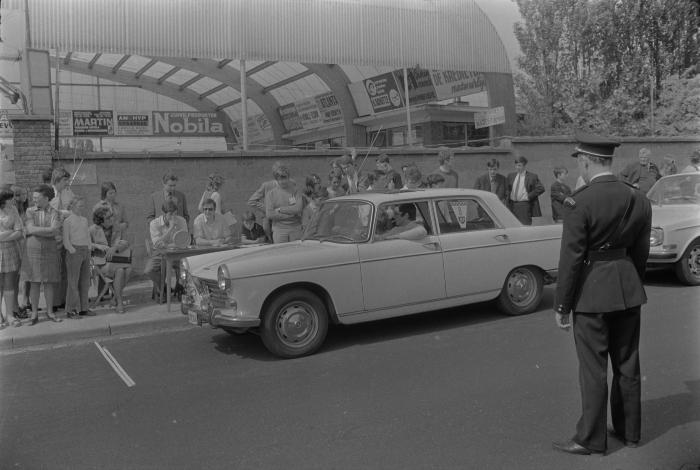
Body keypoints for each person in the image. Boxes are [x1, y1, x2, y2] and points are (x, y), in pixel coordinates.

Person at [552, 132, 652, 456]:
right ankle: (630, 431)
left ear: (585, 160)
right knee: (627, 363)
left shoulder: (578, 201)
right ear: (609, 160)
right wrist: (629, 282)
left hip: (591, 294)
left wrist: (562, 305)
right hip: (627, 288)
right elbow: (640, 253)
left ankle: (590, 439)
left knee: (593, 369)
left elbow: (571, 259)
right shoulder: (638, 198)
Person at [22, 184, 63, 325]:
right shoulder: (29, 211)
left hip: (50, 249)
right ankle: (34, 313)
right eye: (33, 198)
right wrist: (47, 230)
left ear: (46, 198)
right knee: (34, 282)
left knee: (49, 282)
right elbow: (30, 228)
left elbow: (55, 230)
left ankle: (50, 311)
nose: (34, 200)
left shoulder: (55, 212)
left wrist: (36, 230)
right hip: (32, 249)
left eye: (37, 198)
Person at [89, 206, 132, 313]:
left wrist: (115, 248)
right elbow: (86, 245)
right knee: (121, 270)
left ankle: (115, 298)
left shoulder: (116, 227)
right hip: (100, 263)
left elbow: (126, 242)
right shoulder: (92, 229)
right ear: (101, 221)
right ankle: (119, 302)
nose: (111, 219)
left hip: (116, 259)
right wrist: (98, 246)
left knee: (128, 270)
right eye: (108, 218)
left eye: (111, 216)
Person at [146, 199, 189, 303]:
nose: (173, 217)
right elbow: (157, 244)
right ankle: (163, 287)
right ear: (164, 213)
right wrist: (170, 229)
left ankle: (180, 287)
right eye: (170, 214)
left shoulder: (181, 221)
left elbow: (184, 240)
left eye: (175, 213)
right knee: (148, 270)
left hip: (177, 253)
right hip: (160, 254)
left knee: (187, 267)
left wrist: (167, 245)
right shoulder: (154, 223)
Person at [62, 196, 94, 318]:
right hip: (74, 252)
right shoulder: (68, 221)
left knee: (85, 281)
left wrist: (89, 248)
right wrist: (72, 250)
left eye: (83, 205)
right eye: (79, 205)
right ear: (73, 206)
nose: (82, 208)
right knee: (73, 282)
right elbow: (66, 240)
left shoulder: (84, 220)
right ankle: (71, 310)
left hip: (85, 250)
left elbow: (87, 235)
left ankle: (84, 308)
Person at [0, 188, 24, 328]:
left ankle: (9, 315)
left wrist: (2, 236)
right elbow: (13, 232)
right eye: (9, 198)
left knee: (10, 284)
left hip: (11, 251)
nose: (11, 201)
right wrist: (9, 233)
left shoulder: (13, 210)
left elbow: (19, 231)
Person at [248, 161, 287, 243]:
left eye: (283, 171)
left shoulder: (290, 185)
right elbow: (252, 201)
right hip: (270, 222)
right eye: (279, 171)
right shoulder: (267, 185)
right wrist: (266, 209)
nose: (282, 174)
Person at [266, 164, 304, 243]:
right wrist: (291, 214)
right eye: (280, 179)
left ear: (288, 177)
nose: (283, 181)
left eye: (285, 178)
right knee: (281, 254)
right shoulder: (271, 194)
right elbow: (270, 214)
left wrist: (280, 210)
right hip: (279, 231)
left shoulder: (296, 191)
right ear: (276, 180)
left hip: (295, 229)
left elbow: (298, 209)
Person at [506, 155, 545, 225]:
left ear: (524, 166)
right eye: (516, 165)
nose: (517, 167)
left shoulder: (532, 176)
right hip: (512, 205)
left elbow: (541, 188)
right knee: (512, 226)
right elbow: (507, 189)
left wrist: (528, 196)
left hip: (524, 205)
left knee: (525, 226)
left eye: (519, 165)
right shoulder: (511, 176)